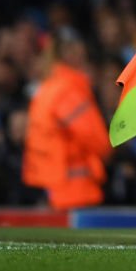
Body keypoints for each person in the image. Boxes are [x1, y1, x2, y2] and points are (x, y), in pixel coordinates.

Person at [23, 31, 111, 209]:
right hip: (75, 189)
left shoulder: (48, 88)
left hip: (51, 184)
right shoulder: (70, 89)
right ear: (70, 53)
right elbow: (96, 139)